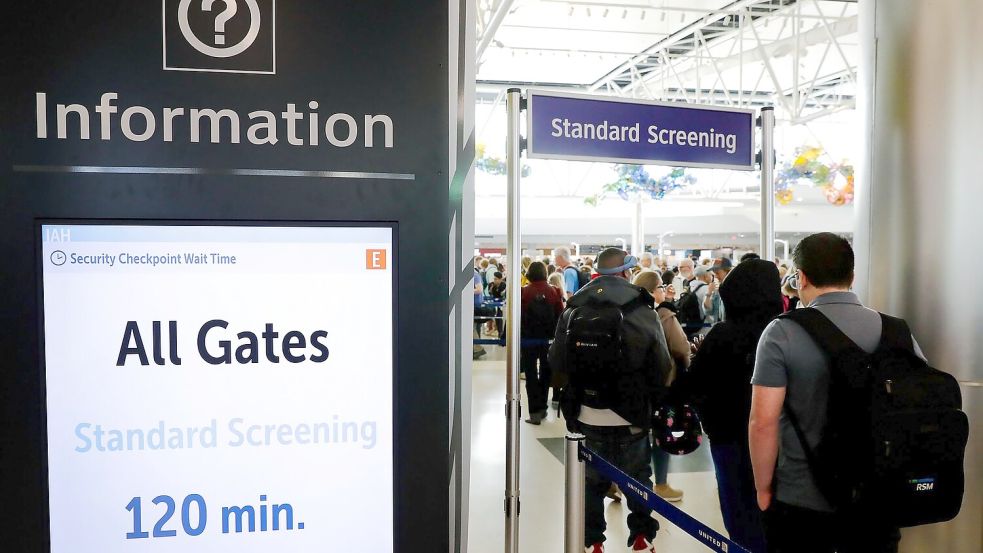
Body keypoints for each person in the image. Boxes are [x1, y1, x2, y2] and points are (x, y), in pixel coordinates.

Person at [749, 233, 917, 553]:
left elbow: (763, 421)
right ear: (852, 277)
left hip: (801, 496)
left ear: (802, 278)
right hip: (879, 491)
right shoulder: (896, 330)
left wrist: (762, 488)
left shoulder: (782, 331)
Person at [549, 248, 674, 553]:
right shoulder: (642, 310)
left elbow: (557, 360)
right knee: (638, 478)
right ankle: (642, 538)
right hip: (631, 412)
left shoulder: (574, 307)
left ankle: (592, 542)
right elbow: (661, 363)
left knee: (590, 484)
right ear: (627, 272)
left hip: (586, 412)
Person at [672, 259, 782, 552]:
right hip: (782, 441)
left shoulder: (723, 335)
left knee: (739, 511)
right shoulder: (787, 332)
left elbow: (693, 387)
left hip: (729, 439)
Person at [632, 270, 689, 502]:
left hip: (636, 382)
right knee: (662, 432)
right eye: (661, 288)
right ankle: (662, 483)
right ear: (654, 291)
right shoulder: (665, 314)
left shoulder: (629, 312)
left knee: (636, 435)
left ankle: (622, 481)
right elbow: (681, 347)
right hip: (663, 383)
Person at [521, 262, 564, 424]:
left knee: (531, 375)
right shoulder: (554, 291)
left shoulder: (523, 292)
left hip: (528, 341)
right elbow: (561, 316)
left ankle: (534, 413)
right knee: (546, 373)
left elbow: (517, 316)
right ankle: (543, 408)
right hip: (548, 341)